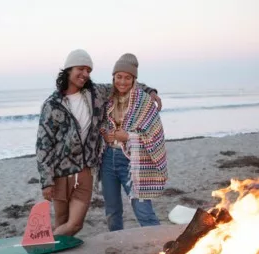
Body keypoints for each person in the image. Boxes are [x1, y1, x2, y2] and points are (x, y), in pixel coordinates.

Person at [36, 49, 161, 236]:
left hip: (87, 169)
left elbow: (125, 83)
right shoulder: (52, 104)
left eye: (88, 70)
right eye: (81, 69)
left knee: (75, 224)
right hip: (61, 171)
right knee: (62, 222)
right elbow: (43, 145)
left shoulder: (95, 93)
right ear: (69, 69)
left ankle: (42, 243)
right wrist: (46, 181)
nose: (85, 74)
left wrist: (151, 91)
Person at [100, 53, 168, 231]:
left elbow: (155, 134)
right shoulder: (107, 98)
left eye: (127, 78)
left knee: (143, 210)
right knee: (112, 211)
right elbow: (101, 124)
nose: (122, 82)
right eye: (119, 77)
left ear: (134, 80)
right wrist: (106, 134)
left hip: (133, 161)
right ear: (113, 77)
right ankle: (118, 243)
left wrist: (129, 137)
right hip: (107, 159)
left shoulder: (143, 101)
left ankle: (160, 247)